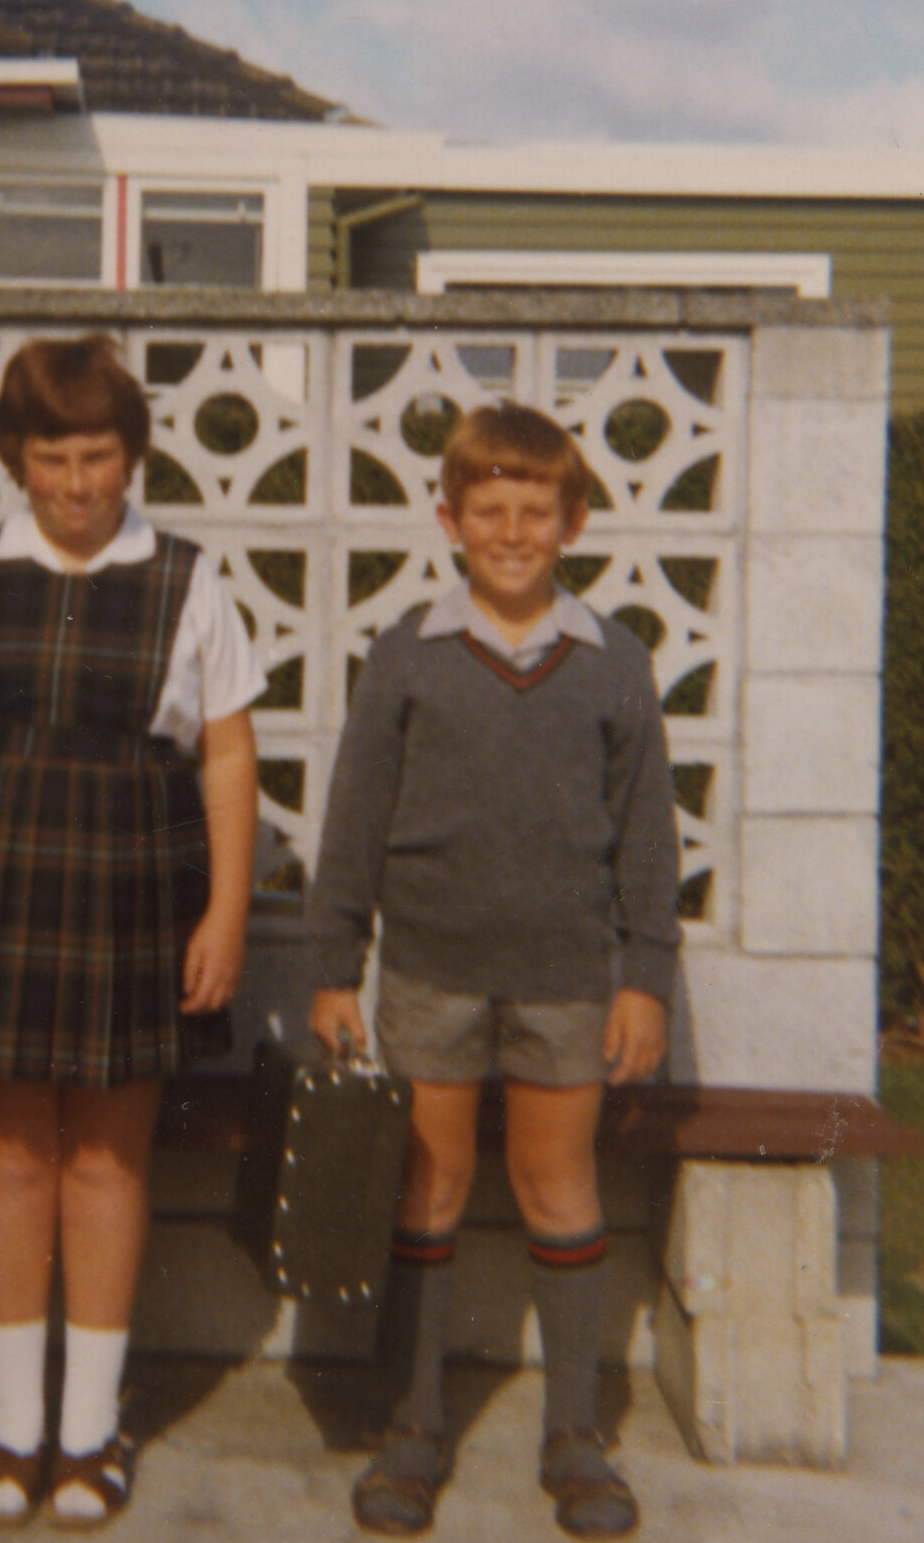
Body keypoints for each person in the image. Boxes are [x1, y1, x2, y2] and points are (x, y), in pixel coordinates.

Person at [0, 334, 263, 1531]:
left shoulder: (189, 580)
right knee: (11, 1163)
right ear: (15, 459)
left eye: (98, 456)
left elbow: (228, 756)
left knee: (104, 1161)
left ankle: (88, 1433)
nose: (78, 484)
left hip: (130, 901)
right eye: (52, 459)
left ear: (131, 456)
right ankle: (11, 1428)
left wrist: (227, 911)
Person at [307, 401, 680, 1539]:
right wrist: (334, 965)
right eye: (489, 512)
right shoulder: (406, 655)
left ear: (572, 522)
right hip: (430, 971)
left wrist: (645, 977)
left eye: (534, 512)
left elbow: (646, 836)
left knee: (556, 1186)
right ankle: (414, 1424)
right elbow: (354, 818)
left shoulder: (614, 662)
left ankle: (574, 1434)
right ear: (449, 520)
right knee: (426, 1187)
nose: (511, 533)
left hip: (566, 977)